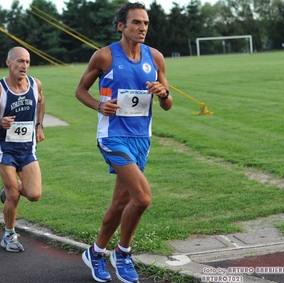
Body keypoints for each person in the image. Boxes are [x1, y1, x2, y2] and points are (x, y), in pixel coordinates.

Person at [75, 2, 172, 283]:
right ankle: (123, 252)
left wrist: (163, 92)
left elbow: (167, 104)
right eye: (136, 23)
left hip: (141, 137)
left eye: (145, 23)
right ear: (121, 26)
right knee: (142, 198)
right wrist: (98, 105)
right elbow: (80, 90)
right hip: (112, 136)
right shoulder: (104, 56)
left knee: (120, 203)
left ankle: (95, 252)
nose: (142, 28)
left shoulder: (155, 58)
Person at [0, 46, 45, 252]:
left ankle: (9, 189)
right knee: (14, 195)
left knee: (34, 194)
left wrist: (39, 126)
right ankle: (9, 235)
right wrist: (1, 123)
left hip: (27, 147)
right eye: (19, 61)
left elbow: (41, 102)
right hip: (5, 146)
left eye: (27, 62)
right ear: (9, 63)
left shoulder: (35, 85)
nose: (24, 66)